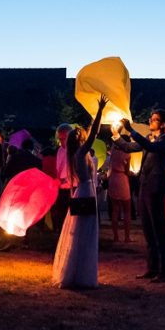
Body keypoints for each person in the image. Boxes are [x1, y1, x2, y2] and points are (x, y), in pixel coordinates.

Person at [52, 95, 107, 288]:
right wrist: (99, 111)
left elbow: (92, 133)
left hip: (83, 192)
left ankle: (77, 272)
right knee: (85, 234)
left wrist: (96, 116)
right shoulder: (80, 153)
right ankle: (79, 274)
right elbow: (93, 134)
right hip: (86, 193)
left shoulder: (74, 154)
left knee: (80, 233)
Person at [113, 109, 165, 282]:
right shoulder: (148, 138)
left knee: (159, 230)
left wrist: (131, 130)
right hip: (145, 187)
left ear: (163, 124)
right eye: (151, 118)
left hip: (156, 188)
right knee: (148, 229)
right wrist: (117, 135)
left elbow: (152, 148)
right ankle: (152, 268)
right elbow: (129, 147)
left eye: (155, 120)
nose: (151, 121)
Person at [107, 140, 133, 243]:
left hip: (113, 178)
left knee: (115, 209)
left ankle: (116, 236)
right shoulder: (127, 153)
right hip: (122, 178)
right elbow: (127, 170)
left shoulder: (113, 150)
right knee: (127, 210)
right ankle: (127, 237)